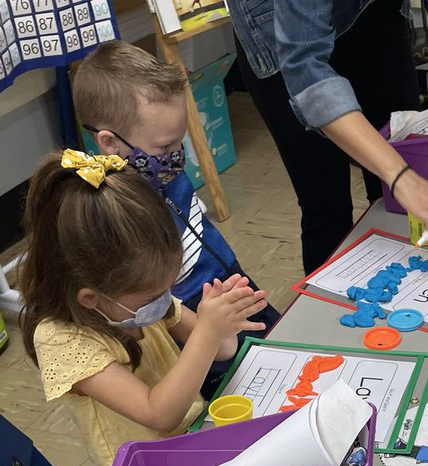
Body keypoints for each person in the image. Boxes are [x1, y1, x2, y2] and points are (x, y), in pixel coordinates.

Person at [228, 0, 428, 273]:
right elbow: (305, 68)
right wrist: (400, 174)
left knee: (396, 202)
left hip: (376, 16)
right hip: (282, 38)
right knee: (326, 206)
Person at [20, 151, 267, 466]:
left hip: (192, 443)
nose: (164, 300)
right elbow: (159, 414)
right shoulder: (61, 340)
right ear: (90, 298)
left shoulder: (139, 301)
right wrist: (207, 332)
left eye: (168, 287)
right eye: (154, 295)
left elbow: (224, 351)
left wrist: (222, 319)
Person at [71, 41, 281, 393]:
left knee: (276, 347)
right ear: (109, 142)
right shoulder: (113, 208)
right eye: (165, 147)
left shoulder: (159, 167)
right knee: (236, 387)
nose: (176, 156)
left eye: (178, 142)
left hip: (229, 278)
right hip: (187, 310)